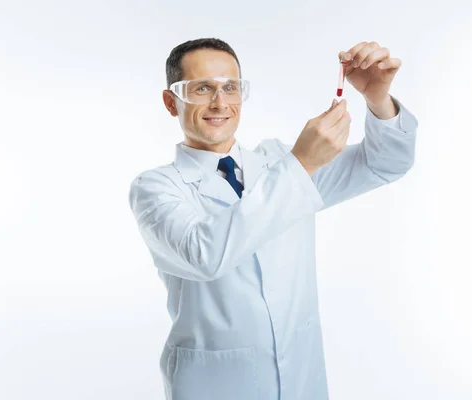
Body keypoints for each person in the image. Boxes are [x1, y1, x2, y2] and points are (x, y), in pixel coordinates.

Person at [128, 38, 418, 400]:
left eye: (230, 87)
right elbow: (205, 255)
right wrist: (301, 165)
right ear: (172, 102)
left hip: (301, 380)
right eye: (202, 88)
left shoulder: (278, 162)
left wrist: (377, 99)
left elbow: (386, 163)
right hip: (214, 387)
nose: (220, 102)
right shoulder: (156, 188)